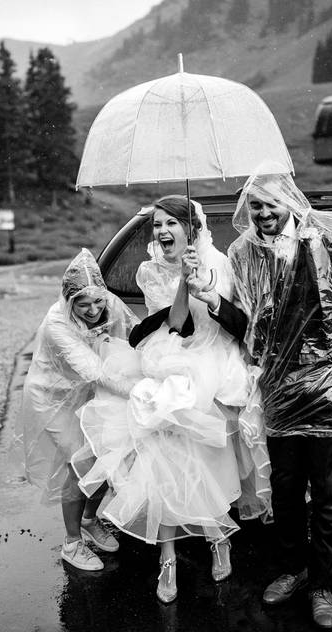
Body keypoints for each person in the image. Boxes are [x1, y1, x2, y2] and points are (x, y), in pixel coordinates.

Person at [216, 169, 332, 629]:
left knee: (327, 487)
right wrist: (211, 300)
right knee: (283, 485)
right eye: (254, 205)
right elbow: (251, 325)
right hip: (281, 386)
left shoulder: (328, 230)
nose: (262, 213)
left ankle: (321, 582)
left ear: (291, 203)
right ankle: (291, 568)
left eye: (270, 204)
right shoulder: (243, 253)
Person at [74, 195, 271, 604]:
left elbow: (239, 326)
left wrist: (202, 282)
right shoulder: (148, 270)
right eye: (158, 225)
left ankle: (218, 536)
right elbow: (175, 323)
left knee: (197, 451)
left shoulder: (219, 262)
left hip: (212, 361)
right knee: (158, 452)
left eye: (171, 224)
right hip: (167, 356)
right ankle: (168, 556)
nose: (163, 232)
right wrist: (183, 281)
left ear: (191, 229)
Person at [19, 248, 139, 572]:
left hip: (84, 392)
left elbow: (136, 331)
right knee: (81, 462)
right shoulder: (56, 324)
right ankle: (71, 543)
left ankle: (89, 520)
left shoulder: (108, 304)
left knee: (105, 453)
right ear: (68, 300)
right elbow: (95, 370)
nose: (93, 309)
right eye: (82, 304)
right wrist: (139, 391)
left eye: (97, 300)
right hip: (51, 397)